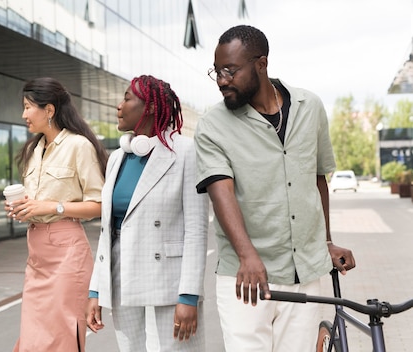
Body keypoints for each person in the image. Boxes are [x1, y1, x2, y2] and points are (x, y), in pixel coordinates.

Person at [194, 25, 356, 352]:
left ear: (261, 64)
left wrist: (325, 241)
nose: (222, 80)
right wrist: (247, 254)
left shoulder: (310, 107)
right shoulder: (212, 124)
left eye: (230, 70)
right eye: (217, 71)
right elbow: (220, 190)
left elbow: (316, 177)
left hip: (305, 272)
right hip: (246, 276)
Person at [86, 75, 209, 351]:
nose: (119, 106)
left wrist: (189, 295)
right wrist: (96, 290)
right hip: (122, 277)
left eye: (127, 98)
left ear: (150, 107)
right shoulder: (117, 157)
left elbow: (197, 229)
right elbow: (108, 232)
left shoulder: (186, 152)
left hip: (169, 281)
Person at [6, 77, 108, 352]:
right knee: (31, 341)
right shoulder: (32, 150)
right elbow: (36, 204)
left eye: (28, 107)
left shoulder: (79, 146)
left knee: (60, 340)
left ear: (49, 110)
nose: (23, 114)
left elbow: (99, 204)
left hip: (67, 253)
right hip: (36, 254)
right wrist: (24, 208)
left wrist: (52, 207)